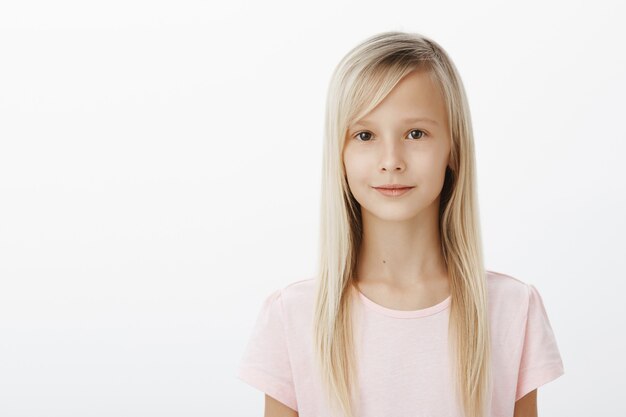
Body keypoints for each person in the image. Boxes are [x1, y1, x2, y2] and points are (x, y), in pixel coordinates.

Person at [236, 30, 564, 417]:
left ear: (453, 148)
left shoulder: (512, 310)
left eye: (415, 133)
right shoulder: (292, 316)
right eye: (365, 135)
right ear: (339, 156)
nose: (391, 160)